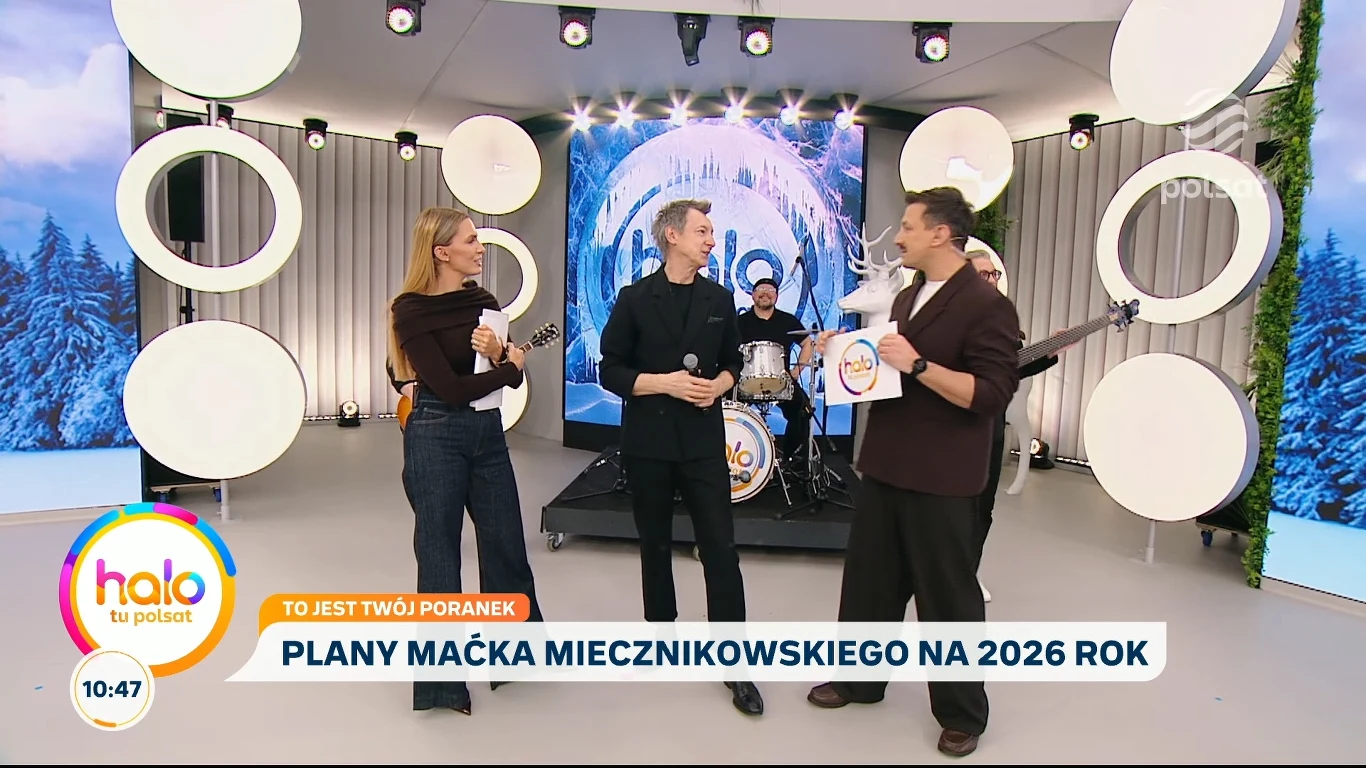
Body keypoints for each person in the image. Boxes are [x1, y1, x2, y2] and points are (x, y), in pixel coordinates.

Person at [806, 188, 1020, 758]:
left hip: (944, 476)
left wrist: (920, 365)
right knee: (869, 583)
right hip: (886, 464)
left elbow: (991, 394)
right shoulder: (907, 296)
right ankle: (859, 680)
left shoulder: (986, 305)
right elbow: (888, 371)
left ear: (940, 233)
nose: (898, 237)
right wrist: (845, 353)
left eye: (907, 227)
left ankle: (961, 713)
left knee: (947, 598)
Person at [597, 198, 764, 717]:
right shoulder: (634, 299)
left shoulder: (720, 298)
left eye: (711, 233)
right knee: (654, 543)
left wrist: (719, 385)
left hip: (701, 445)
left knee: (721, 548)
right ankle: (660, 634)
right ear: (672, 236)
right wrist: (661, 383)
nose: (712, 240)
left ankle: (735, 664)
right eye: (703, 231)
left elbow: (734, 360)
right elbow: (610, 370)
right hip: (648, 444)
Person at [388, 207, 545, 715]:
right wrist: (509, 368)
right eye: (471, 240)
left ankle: (517, 657)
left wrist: (501, 353)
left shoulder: (484, 302)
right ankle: (441, 687)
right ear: (442, 252)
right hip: (436, 433)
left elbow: (506, 370)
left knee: (506, 546)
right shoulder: (410, 310)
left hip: (487, 433)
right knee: (439, 557)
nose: (480, 248)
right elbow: (452, 389)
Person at [965, 250, 1079, 603]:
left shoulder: (1003, 321)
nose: (991, 280)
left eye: (994, 274)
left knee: (983, 508)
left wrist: (1051, 350)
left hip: (990, 427)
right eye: (983, 274)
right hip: (953, 428)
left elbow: (1015, 366)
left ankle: (968, 573)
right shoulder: (949, 319)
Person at [735, 277, 815, 466]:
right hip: (746, 379)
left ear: (777, 297)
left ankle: (790, 460)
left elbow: (807, 344)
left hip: (781, 379)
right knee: (727, 409)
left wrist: (797, 370)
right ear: (753, 295)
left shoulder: (787, 321)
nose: (765, 293)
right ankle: (736, 457)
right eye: (760, 289)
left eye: (770, 290)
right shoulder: (739, 322)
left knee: (802, 410)